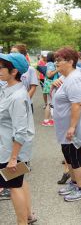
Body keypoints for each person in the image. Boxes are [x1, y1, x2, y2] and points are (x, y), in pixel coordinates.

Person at [0, 53, 36, 224]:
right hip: (9, 148)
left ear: (13, 71)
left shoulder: (18, 96)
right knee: (19, 183)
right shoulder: (8, 88)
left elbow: (20, 131)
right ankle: (28, 215)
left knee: (14, 187)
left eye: (1, 67)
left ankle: (22, 222)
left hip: (11, 151)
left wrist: (13, 158)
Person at [52, 47, 81, 202]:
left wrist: (72, 127)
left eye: (59, 60)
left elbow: (77, 104)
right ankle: (74, 184)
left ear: (70, 61)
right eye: (56, 60)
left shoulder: (74, 78)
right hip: (67, 128)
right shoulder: (68, 78)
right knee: (69, 156)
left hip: (74, 129)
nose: (56, 64)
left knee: (75, 158)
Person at [10, 44, 39, 113]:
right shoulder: (7, 69)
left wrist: (25, 100)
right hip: (9, 104)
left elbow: (33, 87)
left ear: (22, 55)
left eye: (15, 53)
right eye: (11, 52)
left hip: (25, 104)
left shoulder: (30, 69)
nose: (12, 55)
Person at [41, 52, 58, 126]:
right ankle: (48, 120)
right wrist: (58, 70)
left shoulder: (48, 63)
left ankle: (47, 120)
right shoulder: (51, 64)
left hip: (48, 85)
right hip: (51, 85)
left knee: (50, 102)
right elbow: (49, 74)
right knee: (50, 103)